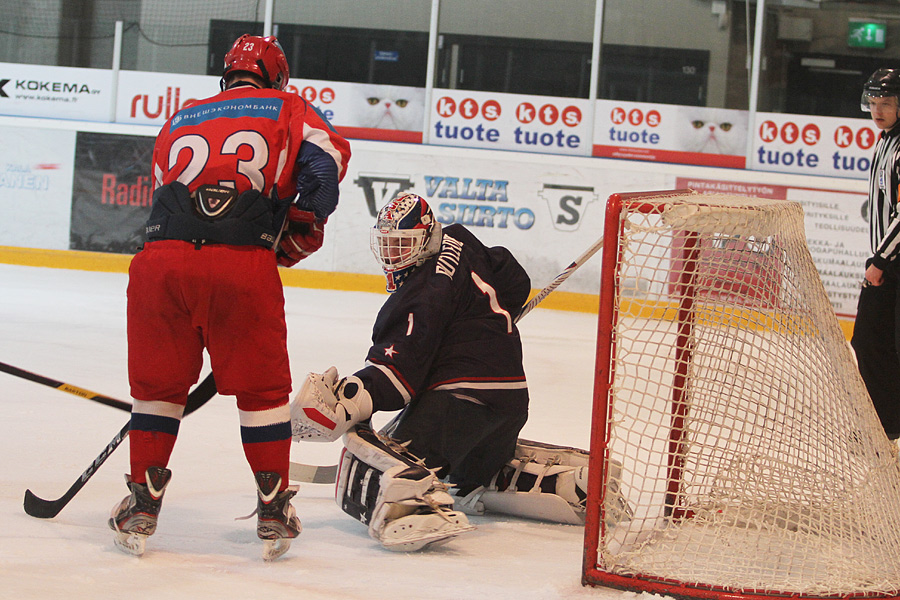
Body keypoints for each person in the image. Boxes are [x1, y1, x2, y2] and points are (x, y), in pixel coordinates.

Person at [109, 34, 351, 561]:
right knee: (263, 392)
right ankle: (272, 507)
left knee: (157, 388)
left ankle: (143, 502)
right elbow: (322, 179)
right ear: (277, 78)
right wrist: (293, 233)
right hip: (240, 265)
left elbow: (166, 193)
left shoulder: (180, 118)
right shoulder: (290, 108)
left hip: (160, 265)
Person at [289, 193, 631, 552]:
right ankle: (571, 485)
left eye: (403, 245)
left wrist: (350, 401)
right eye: (388, 245)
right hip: (510, 400)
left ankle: (414, 509)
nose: (394, 256)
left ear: (425, 237)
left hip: (458, 402)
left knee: (383, 453)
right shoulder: (460, 238)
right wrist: (478, 318)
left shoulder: (421, 294)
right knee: (472, 470)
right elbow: (515, 280)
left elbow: (397, 374)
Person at [852, 68, 900, 442]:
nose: (877, 110)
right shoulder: (886, 140)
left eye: (886, 103)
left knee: (874, 343)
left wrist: (881, 261)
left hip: (894, 265)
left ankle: (885, 428)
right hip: (888, 263)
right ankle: (884, 427)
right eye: (873, 102)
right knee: (871, 343)